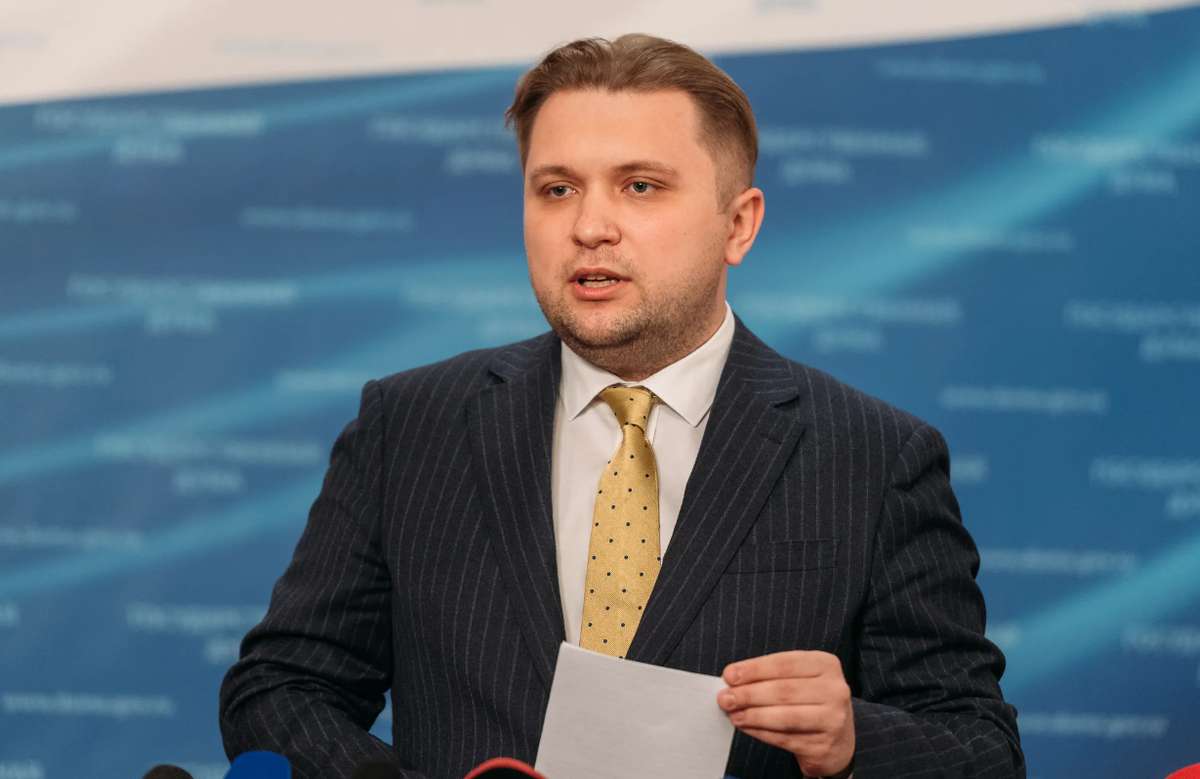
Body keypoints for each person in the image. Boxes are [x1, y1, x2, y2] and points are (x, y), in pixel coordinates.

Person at [219, 34, 1024, 779]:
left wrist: (854, 742)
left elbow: (981, 748)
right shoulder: (408, 426)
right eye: (556, 188)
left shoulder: (873, 457)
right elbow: (279, 689)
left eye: (640, 186)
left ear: (738, 224)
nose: (589, 226)